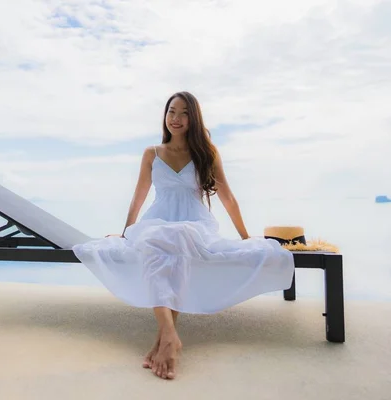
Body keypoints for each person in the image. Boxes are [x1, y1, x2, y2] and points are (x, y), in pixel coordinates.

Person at [72, 91, 295, 381]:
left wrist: (245, 236)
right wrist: (127, 233)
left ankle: (163, 339)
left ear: (193, 118)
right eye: (171, 112)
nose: (176, 119)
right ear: (165, 117)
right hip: (156, 220)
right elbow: (138, 197)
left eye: (184, 113)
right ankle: (169, 336)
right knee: (159, 243)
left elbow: (227, 197)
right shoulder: (152, 153)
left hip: (194, 221)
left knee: (179, 239)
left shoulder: (207, 154)